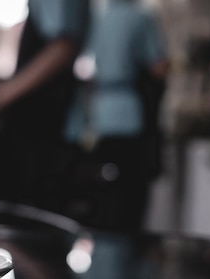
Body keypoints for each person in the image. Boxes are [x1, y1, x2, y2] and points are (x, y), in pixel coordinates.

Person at [62, 0, 169, 231]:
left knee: (104, 198)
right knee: (130, 202)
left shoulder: (99, 16)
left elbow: (85, 61)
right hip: (130, 115)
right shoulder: (141, 16)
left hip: (101, 114)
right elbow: (158, 67)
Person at [0, 0, 91, 214]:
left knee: (35, 217)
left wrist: (3, 95)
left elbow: (63, 46)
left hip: (46, 127)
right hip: (39, 125)